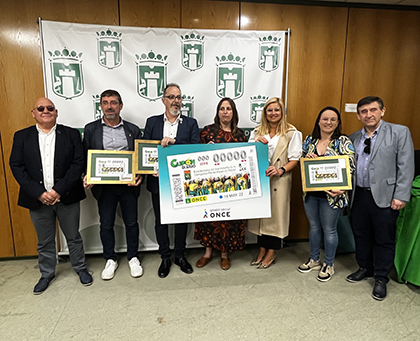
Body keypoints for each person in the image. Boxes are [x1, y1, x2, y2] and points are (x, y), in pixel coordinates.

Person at [9, 97, 92, 294]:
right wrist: (39, 193)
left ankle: (80, 268)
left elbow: (78, 164)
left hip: (66, 196)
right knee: (45, 240)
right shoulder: (22, 136)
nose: (45, 111)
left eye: (50, 108)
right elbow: (17, 166)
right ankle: (46, 273)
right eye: (40, 108)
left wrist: (57, 191)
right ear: (33, 113)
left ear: (56, 112)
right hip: (37, 200)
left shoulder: (71, 134)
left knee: (73, 236)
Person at [347, 96, 414, 300]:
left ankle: (381, 277)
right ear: (359, 115)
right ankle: (364, 267)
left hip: (386, 196)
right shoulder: (353, 138)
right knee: (361, 234)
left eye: (373, 110)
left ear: (382, 111)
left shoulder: (399, 132)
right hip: (358, 195)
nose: (369, 114)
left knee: (384, 238)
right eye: (364, 111)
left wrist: (401, 195)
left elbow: (406, 165)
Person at [83, 89, 143, 280]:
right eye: (105, 102)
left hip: (128, 186)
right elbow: (85, 157)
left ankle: (133, 257)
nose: (110, 106)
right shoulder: (91, 129)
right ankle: (110, 259)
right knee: (106, 224)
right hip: (104, 187)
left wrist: (140, 174)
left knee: (132, 222)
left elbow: (140, 158)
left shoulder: (133, 130)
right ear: (100, 106)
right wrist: (87, 175)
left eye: (114, 102)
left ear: (121, 106)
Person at [143, 83, 200, 278]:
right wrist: (152, 169)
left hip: (183, 183)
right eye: (171, 97)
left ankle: (180, 255)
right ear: (163, 100)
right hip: (158, 181)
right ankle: (165, 256)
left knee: (181, 221)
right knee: (161, 221)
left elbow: (195, 150)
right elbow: (146, 151)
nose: (176, 100)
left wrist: (175, 143)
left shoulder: (191, 123)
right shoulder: (152, 123)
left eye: (179, 97)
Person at [297, 107, 355, 281]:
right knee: (314, 227)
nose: (328, 122)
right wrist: (309, 159)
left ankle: (328, 264)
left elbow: (351, 168)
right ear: (319, 121)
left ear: (337, 122)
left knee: (330, 230)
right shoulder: (310, 140)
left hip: (333, 195)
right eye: (325, 119)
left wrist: (343, 189)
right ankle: (314, 259)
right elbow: (302, 162)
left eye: (332, 119)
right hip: (312, 194)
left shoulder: (343, 141)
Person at [248, 97, 302, 268]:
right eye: (269, 110)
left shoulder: (292, 132)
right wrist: (255, 144)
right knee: (261, 216)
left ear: (282, 112)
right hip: (261, 180)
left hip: (280, 178)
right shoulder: (257, 132)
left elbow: (295, 159)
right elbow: (247, 153)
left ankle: (272, 252)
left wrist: (281, 170)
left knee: (276, 216)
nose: (273, 113)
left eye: (276, 110)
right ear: (265, 113)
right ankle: (262, 249)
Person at [194, 97, 247, 270]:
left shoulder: (240, 135)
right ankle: (208, 253)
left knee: (228, 219)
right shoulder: (207, 131)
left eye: (229, 108)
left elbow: (246, 160)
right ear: (218, 112)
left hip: (232, 186)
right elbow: (196, 157)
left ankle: (225, 255)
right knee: (208, 218)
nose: (225, 112)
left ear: (234, 112)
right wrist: (205, 150)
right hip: (210, 185)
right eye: (222, 108)